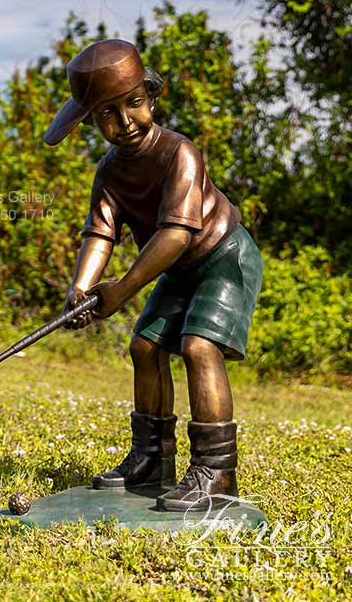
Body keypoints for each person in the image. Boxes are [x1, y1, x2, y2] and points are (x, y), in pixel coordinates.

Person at [43, 39, 263, 511]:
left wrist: (120, 291)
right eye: (106, 113)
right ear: (90, 122)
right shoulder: (110, 171)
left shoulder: (179, 153)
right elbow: (100, 234)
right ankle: (151, 458)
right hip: (177, 269)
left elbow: (176, 236)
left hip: (221, 257)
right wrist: (81, 287)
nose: (124, 122)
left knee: (198, 347)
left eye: (134, 104)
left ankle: (216, 472)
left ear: (152, 97)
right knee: (144, 346)